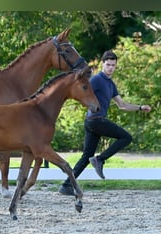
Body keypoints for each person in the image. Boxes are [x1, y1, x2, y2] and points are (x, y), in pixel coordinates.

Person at [58, 50, 152, 196]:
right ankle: (99, 159)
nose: (110, 68)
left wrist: (140, 107)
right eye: (108, 65)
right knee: (126, 137)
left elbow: (122, 105)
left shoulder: (111, 84)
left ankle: (66, 185)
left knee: (85, 156)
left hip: (92, 122)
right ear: (103, 64)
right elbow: (81, 91)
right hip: (95, 120)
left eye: (113, 65)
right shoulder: (96, 80)